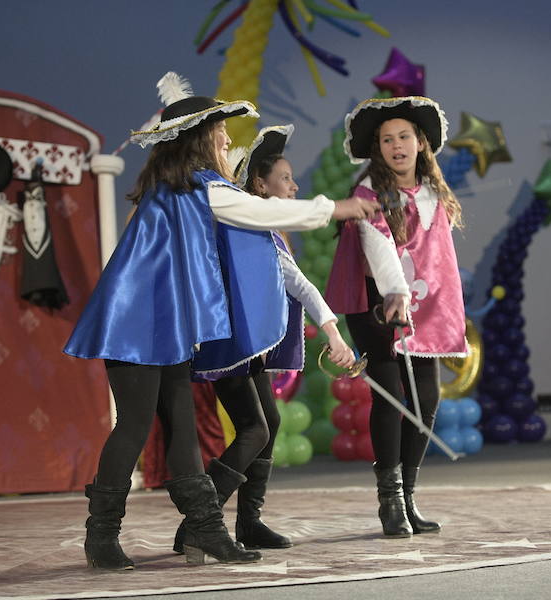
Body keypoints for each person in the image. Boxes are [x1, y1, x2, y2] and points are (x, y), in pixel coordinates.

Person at [64, 72, 377, 569]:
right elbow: (259, 211)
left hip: (164, 329)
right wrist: (337, 208)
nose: (228, 141)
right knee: (135, 426)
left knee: (183, 427)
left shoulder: (180, 190)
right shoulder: (194, 190)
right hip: (134, 327)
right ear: (199, 139)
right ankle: (101, 535)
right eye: (221, 135)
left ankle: (206, 529)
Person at [172, 125, 356, 554]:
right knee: (255, 429)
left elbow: (297, 282)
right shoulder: (245, 227)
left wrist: (331, 331)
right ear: (259, 184)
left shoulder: (264, 233)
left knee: (267, 425)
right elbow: (300, 284)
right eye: (285, 178)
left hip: (247, 349)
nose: (294, 186)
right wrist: (333, 332)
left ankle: (249, 522)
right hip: (230, 346)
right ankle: (199, 522)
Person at [324, 96, 467, 538]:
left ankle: (408, 496)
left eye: (404, 136)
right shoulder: (369, 191)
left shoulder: (434, 193)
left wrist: (443, 307)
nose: (396, 145)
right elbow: (378, 242)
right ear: (378, 149)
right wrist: (396, 292)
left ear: (421, 143)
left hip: (426, 307)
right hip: (380, 304)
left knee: (427, 400)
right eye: (387, 139)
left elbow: (441, 260)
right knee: (389, 394)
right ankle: (389, 500)